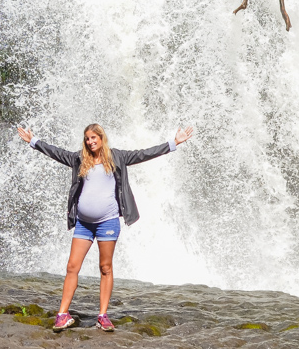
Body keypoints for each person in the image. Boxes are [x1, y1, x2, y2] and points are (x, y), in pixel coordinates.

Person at [16, 122, 193, 333]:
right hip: (83, 223)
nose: (90, 142)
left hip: (108, 222)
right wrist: (33, 141)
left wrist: (173, 143)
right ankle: (62, 315)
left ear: (101, 138)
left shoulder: (117, 157)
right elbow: (57, 153)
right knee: (72, 266)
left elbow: (144, 154)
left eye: (94, 138)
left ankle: (103, 316)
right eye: (87, 139)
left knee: (105, 268)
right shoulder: (79, 159)